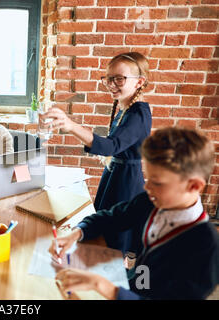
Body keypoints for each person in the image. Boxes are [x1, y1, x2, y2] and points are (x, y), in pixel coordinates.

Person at [49, 127, 219, 300]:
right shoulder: (151, 202)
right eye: (148, 179)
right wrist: (77, 232)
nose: (147, 187)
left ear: (194, 186)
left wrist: (107, 288)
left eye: (157, 183)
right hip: (131, 287)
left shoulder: (206, 247)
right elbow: (111, 217)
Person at [43, 52, 152, 253]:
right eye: (109, 79)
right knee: (104, 229)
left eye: (119, 78)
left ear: (139, 82)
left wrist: (72, 126)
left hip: (126, 182)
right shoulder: (124, 107)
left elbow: (112, 146)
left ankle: (114, 275)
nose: (112, 84)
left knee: (116, 239)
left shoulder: (139, 112)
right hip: (113, 175)